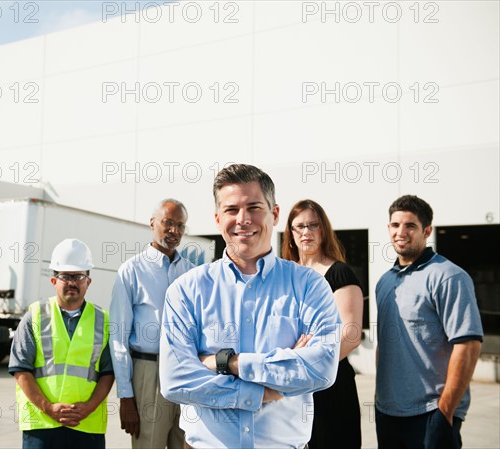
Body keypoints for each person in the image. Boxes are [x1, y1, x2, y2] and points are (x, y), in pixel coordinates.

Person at [159, 164, 341, 449]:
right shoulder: (186, 291)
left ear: (275, 214)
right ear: (218, 219)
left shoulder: (309, 287)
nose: (243, 219)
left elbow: (321, 369)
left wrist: (229, 362)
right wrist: (264, 388)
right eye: (231, 210)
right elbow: (176, 380)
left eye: (254, 207)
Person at [375, 195, 483, 449]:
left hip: (432, 412)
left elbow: (468, 345)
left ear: (427, 231)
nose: (401, 232)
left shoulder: (449, 276)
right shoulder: (385, 282)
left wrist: (444, 411)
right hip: (388, 414)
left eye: (410, 226)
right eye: (394, 225)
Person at [9, 238, 114, 449]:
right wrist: (48, 408)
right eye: (65, 276)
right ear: (54, 280)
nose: (73, 282)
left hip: (86, 424)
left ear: (88, 281)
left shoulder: (103, 320)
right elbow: (21, 370)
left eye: (79, 276)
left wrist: (88, 408)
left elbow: (108, 372)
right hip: (42, 424)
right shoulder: (34, 316)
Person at [109, 199, 194, 449]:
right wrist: (126, 396)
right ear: (152, 223)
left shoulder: (191, 273)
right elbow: (118, 339)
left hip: (186, 373)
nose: (174, 231)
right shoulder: (131, 271)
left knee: (188, 444)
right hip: (149, 374)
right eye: (168, 223)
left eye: (180, 225)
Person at [281, 199, 363, 449]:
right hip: (290, 387)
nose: (306, 232)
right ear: (290, 233)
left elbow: (350, 335)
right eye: (299, 227)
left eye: (313, 225)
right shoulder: (284, 275)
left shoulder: (338, 273)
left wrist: (308, 368)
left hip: (329, 386)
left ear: (323, 230)